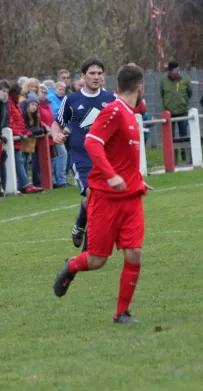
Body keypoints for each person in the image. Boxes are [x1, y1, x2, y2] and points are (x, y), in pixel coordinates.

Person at [53, 63, 153, 324]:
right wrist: (112, 176)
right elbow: (92, 143)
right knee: (97, 260)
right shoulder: (114, 111)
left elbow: (124, 157)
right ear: (140, 88)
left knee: (134, 254)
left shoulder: (130, 112)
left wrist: (136, 181)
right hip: (106, 199)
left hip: (131, 199)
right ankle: (72, 266)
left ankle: (121, 313)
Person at [52, 57, 116, 250]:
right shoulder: (71, 100)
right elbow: (58, 123)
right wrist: (56, 134)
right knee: (96, 197)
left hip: (104, 160)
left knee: (95, 200)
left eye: (99, 74)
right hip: (82, 159)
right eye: (92, 74)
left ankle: (80, 224)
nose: (96, 77)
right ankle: (89, 249)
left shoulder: (110, 100)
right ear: (83, 76)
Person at [161, 61, 192, 164]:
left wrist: (183, 102)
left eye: (178, 70)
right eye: (175, 71)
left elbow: (189, 92)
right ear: (169, 71)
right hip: (169, 113)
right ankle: (173, 159)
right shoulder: (164, 81)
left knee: (184, 134)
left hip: (183, 111)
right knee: (170, 136)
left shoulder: (185, 79)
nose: (177, 73)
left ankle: (186, 157)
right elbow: (162, 94)